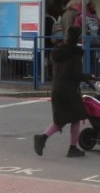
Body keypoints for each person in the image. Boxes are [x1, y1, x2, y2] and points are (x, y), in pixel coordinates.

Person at [33, 26, 89, 157]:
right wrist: (88, 76)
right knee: (76, 118)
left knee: (61, 119)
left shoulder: (58, 52)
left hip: (57, 88)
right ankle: (72, 148)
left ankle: (42, 138)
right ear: (78, 38)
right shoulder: (75, 53)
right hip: (70, 90)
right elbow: (76, 74)